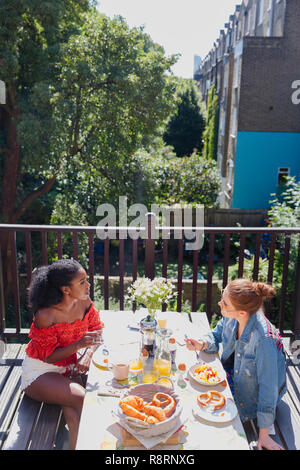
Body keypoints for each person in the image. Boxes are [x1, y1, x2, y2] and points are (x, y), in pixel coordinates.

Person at [185, 278, 287, 451]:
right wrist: (202, 343)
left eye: (224, 303)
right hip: (233, 375)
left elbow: (268, 388)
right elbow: (216, 334)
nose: (219, 303)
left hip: (252, 399)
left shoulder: (264, 340)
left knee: (210, 424)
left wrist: (263, 435)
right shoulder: (234, 317)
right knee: (191, 395)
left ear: (241, 313)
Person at [21, 259, 104, 450]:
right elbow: (48, 357)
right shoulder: (45, 314)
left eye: (86, 279)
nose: (88, 285)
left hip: (69, 368)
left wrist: (87, 355)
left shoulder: (84, 302)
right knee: (84, 399)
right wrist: (79, 344)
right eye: (82, 282)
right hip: (41, 372)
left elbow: (97, 329)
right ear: (66, 289)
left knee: (75, 418)